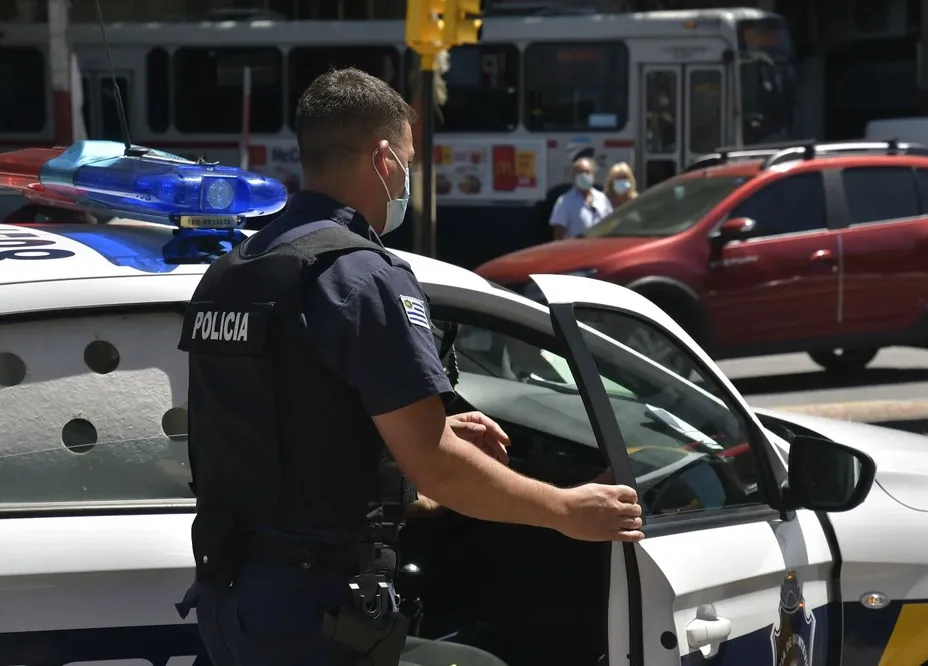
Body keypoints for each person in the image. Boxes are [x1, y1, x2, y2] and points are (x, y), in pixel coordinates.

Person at [174, 67, 644, 666]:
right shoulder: (362, 276)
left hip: (233, 598)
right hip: (314, 612)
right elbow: (439, 468)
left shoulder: (236, 269)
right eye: (408, 160)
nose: (408, 178)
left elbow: (285, 435)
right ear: (382, 159)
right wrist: (568, 511)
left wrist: (423, 439)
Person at [548, 156, 613, 240]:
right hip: (576, 250)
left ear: (594, 175)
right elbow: (558, 234)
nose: (584, 176)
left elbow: (611, 225)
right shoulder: (564, 202)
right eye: (579, 173)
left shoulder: (602, 199)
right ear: (574, 177)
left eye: (587, 172)